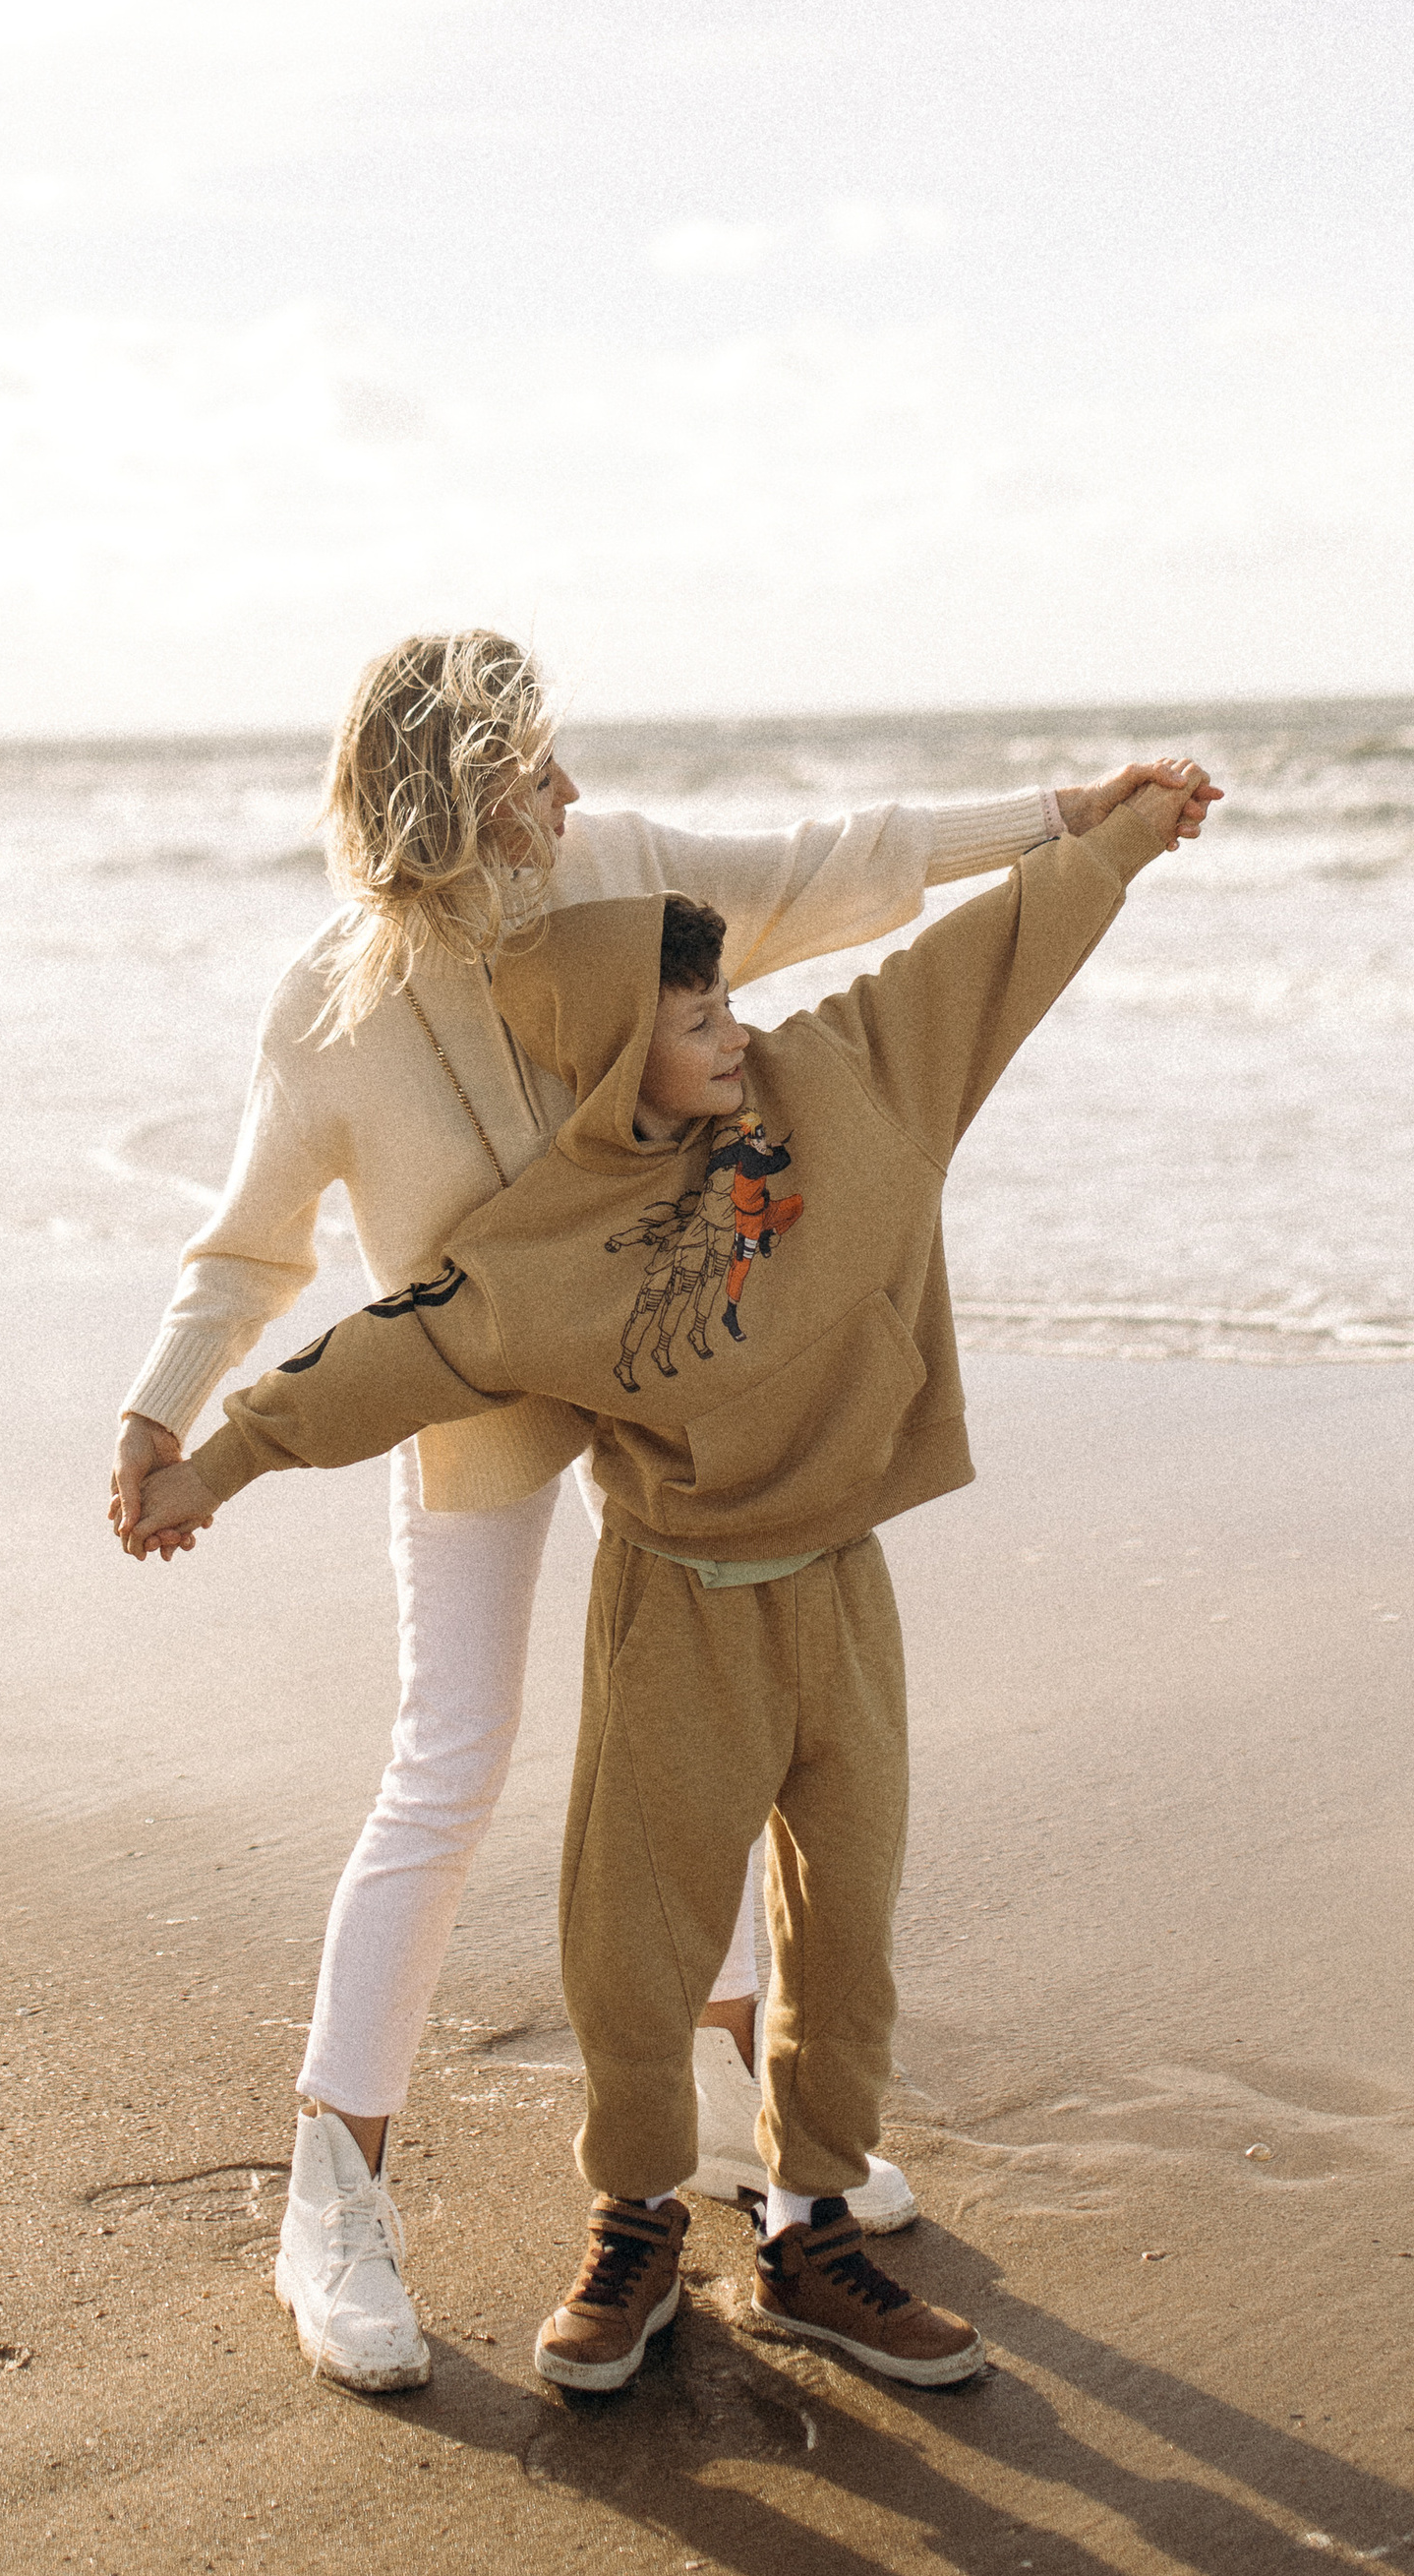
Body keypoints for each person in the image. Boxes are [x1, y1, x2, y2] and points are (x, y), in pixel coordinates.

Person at [108, 629, 1217, 2390]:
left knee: (692, 1729)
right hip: (478, 1390)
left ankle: (720, 2108)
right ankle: (333, 2197)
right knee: (451, 1764)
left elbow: (828, 872)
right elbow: (257, 1247)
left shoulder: (616, 875)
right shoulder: (332, 1005)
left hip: (680, 1382)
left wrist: (1058, 818)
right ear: (452, 804)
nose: (565, 794)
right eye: (527, 773)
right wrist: (169, 1414)